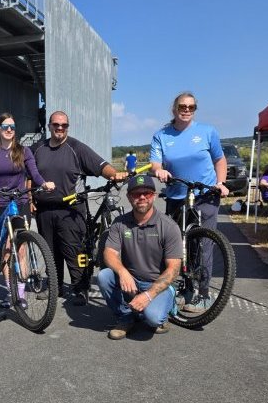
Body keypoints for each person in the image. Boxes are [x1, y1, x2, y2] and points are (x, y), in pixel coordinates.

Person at [32, 110, 126, 306]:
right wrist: (29, 198)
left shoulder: (76, 148)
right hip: (44, 209)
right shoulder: (37, 148)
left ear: (67, 127)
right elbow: (27, 173)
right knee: (49, 251)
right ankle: (54, 287)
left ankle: (80, 288)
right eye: (56, 125)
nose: (59, 128)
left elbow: (101, 166)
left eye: (63, 125)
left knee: (74, 251)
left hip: (71, 210)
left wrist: (114, 174)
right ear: (49, 126)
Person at [150, 91, 229, 313]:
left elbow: (219, 159)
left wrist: (221, 182)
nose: (186, 110)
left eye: (191, 107)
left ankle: (202, 294)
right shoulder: (161, 136)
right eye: (182, 107)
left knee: (203, 245)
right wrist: (160, 171)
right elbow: (155, 163)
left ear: (195, 110)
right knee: (179, 245)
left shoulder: (207, 131)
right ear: (174, 109)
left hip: (205, 194)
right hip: (177, 196)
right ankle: (185, 289)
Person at [0, 113, 55, 308]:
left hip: (20, 201)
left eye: (12, 127)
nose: (9, 130)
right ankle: (10, 290)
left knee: (19, 248)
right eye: (5, 126)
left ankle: (19, 294)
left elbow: (34, 173)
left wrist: (43, 184)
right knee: (6, 249)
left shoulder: (24, 151)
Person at [98, 174, 182, 340]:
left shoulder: (168, 226)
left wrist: (149, 295)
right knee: (104, 276)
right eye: (136, 194)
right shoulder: (120, 224)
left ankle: (168, 302)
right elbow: (109, 253)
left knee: (153, 319)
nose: (142, 197)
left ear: (154, 196)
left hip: (157, 283)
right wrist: (122, 272)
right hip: (131, 281)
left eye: (147, 193)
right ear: (129, 197)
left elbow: (173, 269)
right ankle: (126, 317)